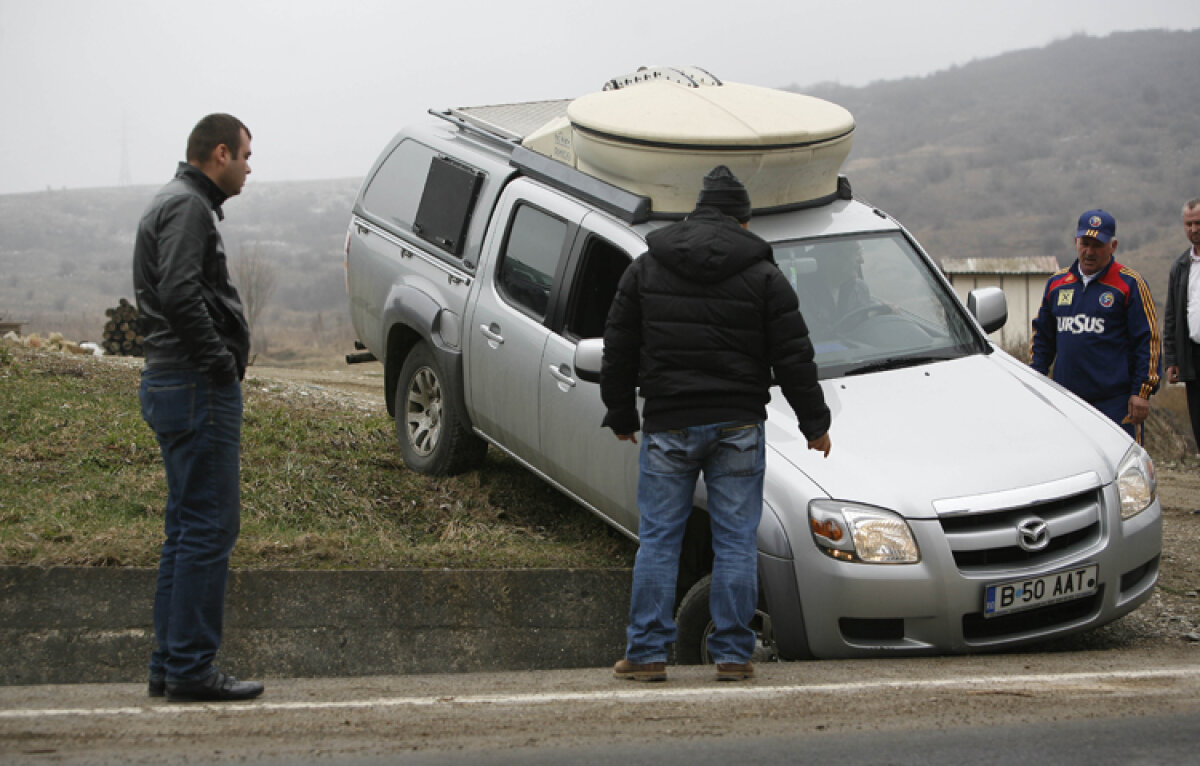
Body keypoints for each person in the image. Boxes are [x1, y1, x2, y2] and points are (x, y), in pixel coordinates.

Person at [600, 165, 832, 683]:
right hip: (737, 427)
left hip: (669, 423)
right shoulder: (765, 275)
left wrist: (619, 411)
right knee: (735, 541)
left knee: (660, 539)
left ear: (696, 212)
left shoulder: (646, 267)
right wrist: (815, 423)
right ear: (742, 223)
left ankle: (646, 655)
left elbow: (618, 345)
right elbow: (794, 355)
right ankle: (732, 653)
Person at [133, 113, 263, 702]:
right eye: (244, 155)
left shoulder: (175, 201)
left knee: (185, 529)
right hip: (193, 385)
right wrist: (218, 361)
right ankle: (190, 667)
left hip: (171, 382)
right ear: (219, 153)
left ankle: (170, 665)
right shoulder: (187, 206)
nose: (248, 167)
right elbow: (180, 292)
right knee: (210, 526)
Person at [1030, 209, 1161, 441]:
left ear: (1113, 246)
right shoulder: (1057, 284)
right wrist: (1035, 381)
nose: (1089, 252)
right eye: (1085, 243)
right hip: (1067, 400)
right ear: (1075, 242)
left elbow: (1148, 341)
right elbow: (1043, 339)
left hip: (1114, 403)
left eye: (1097, 245)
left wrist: (1142, 392)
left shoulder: (1130, 284)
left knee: (1121, 471)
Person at [1163, 198, 1200, 459]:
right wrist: (1172, 359)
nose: (1194, 229)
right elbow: (1172, 317)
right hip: (1193, 356)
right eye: (1189, 224)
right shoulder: (1181, 266)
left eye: (1198, 222)